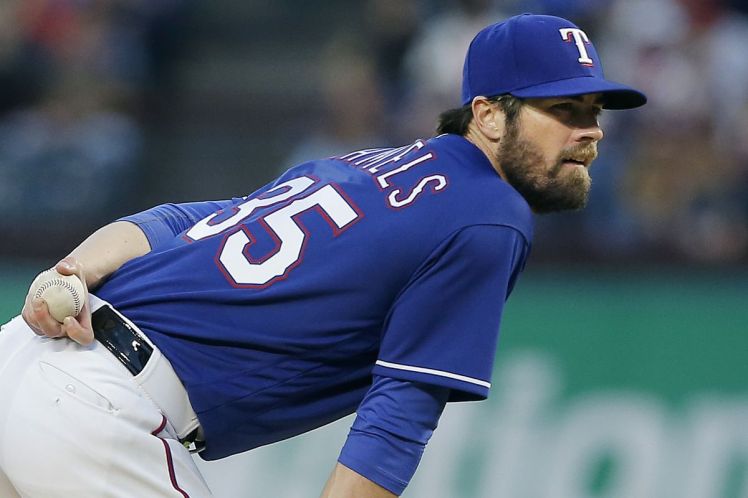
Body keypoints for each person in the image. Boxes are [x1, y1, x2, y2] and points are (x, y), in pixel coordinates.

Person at [0, 13, 646, 498]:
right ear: (490, 115)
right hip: (95, 413)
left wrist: (72, 268)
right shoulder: (490, 214)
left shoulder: (364, 165)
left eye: (594, 110)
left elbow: (179, 221)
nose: (590, 129)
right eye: (563, 109)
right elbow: (398, 417)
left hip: (23, 359)